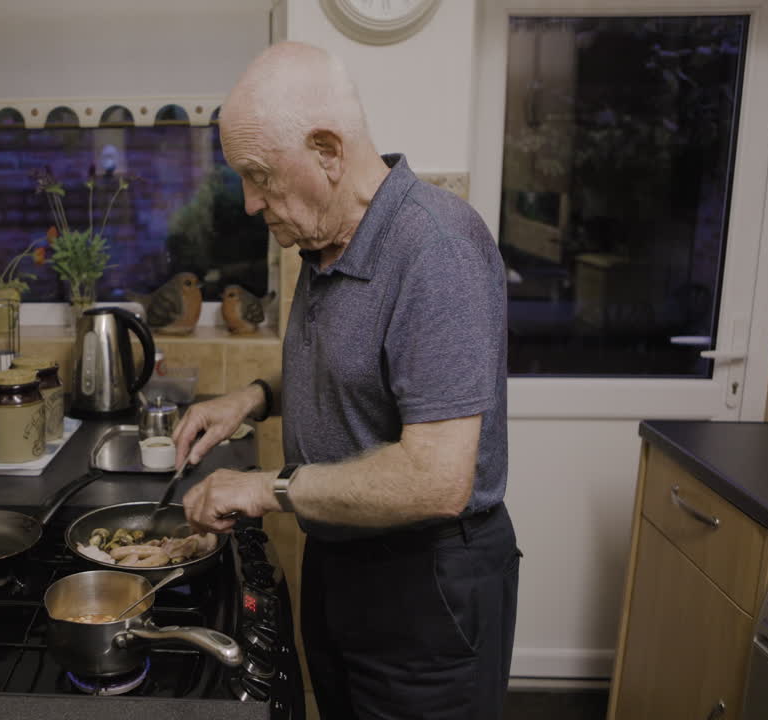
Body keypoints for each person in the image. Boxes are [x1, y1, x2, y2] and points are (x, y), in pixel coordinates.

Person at [174, 42, 520, 720]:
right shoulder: (326, 238)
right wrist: (252, 398)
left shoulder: (437, 251)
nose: (249, 203)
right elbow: (346, 358)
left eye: (259, 176)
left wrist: (265, 489)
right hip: (342, 563)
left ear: (328, 151)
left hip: (427, 586)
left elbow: (437, 478)